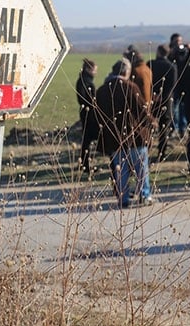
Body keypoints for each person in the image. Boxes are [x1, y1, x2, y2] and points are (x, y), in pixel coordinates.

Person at [93, 58, 154, 208]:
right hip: (134, 136)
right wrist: (151, 123)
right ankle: (145, 196)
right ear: (125, 72)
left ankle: (123, 199)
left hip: (113, 138)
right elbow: (141, 110)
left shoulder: (102, 90)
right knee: (141, 170)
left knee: (121, 172)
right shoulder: (130, 87)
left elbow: (97, 115)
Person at [147, 44, 177, 161]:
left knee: (149, 125)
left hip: (151, 98)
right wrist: (162, 96)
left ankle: (146, 148)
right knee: (164, 127)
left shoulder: (150, 64)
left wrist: (153, 95)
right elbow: (172, 85)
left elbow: (147, 81)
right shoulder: (172, 66)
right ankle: (161, 152)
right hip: (166, 100)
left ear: (158, 52)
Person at [168, 34, 190, 138]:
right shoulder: (170, 52)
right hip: (174, 83)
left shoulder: (186, 51)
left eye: (180, 41)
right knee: (174, 107)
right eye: (176, 41)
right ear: (171, 42)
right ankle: (174, 128)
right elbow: (168, 64)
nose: (178, 43)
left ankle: (182, 128)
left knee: (184, 107)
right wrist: (171, 53)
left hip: (186, 82)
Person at [75, 58, 98, 173]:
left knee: (87, 140)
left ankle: (85, 164)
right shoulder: (84, 81)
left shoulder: (85, 80)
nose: (95, 73)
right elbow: (83, 98)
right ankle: (85, 165)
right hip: (88, 114)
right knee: (87, 140)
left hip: (88, 112)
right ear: (88, 69)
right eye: (94, 70)